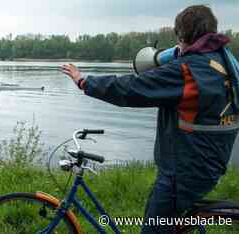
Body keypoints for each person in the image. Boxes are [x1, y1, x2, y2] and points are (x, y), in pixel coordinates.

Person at [62, 5, 239, 233]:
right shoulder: (224, 63)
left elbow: (131, 88)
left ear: (182, 35)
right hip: (210, 163)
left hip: (184, 171)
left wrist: (84, 81)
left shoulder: (187, 72)